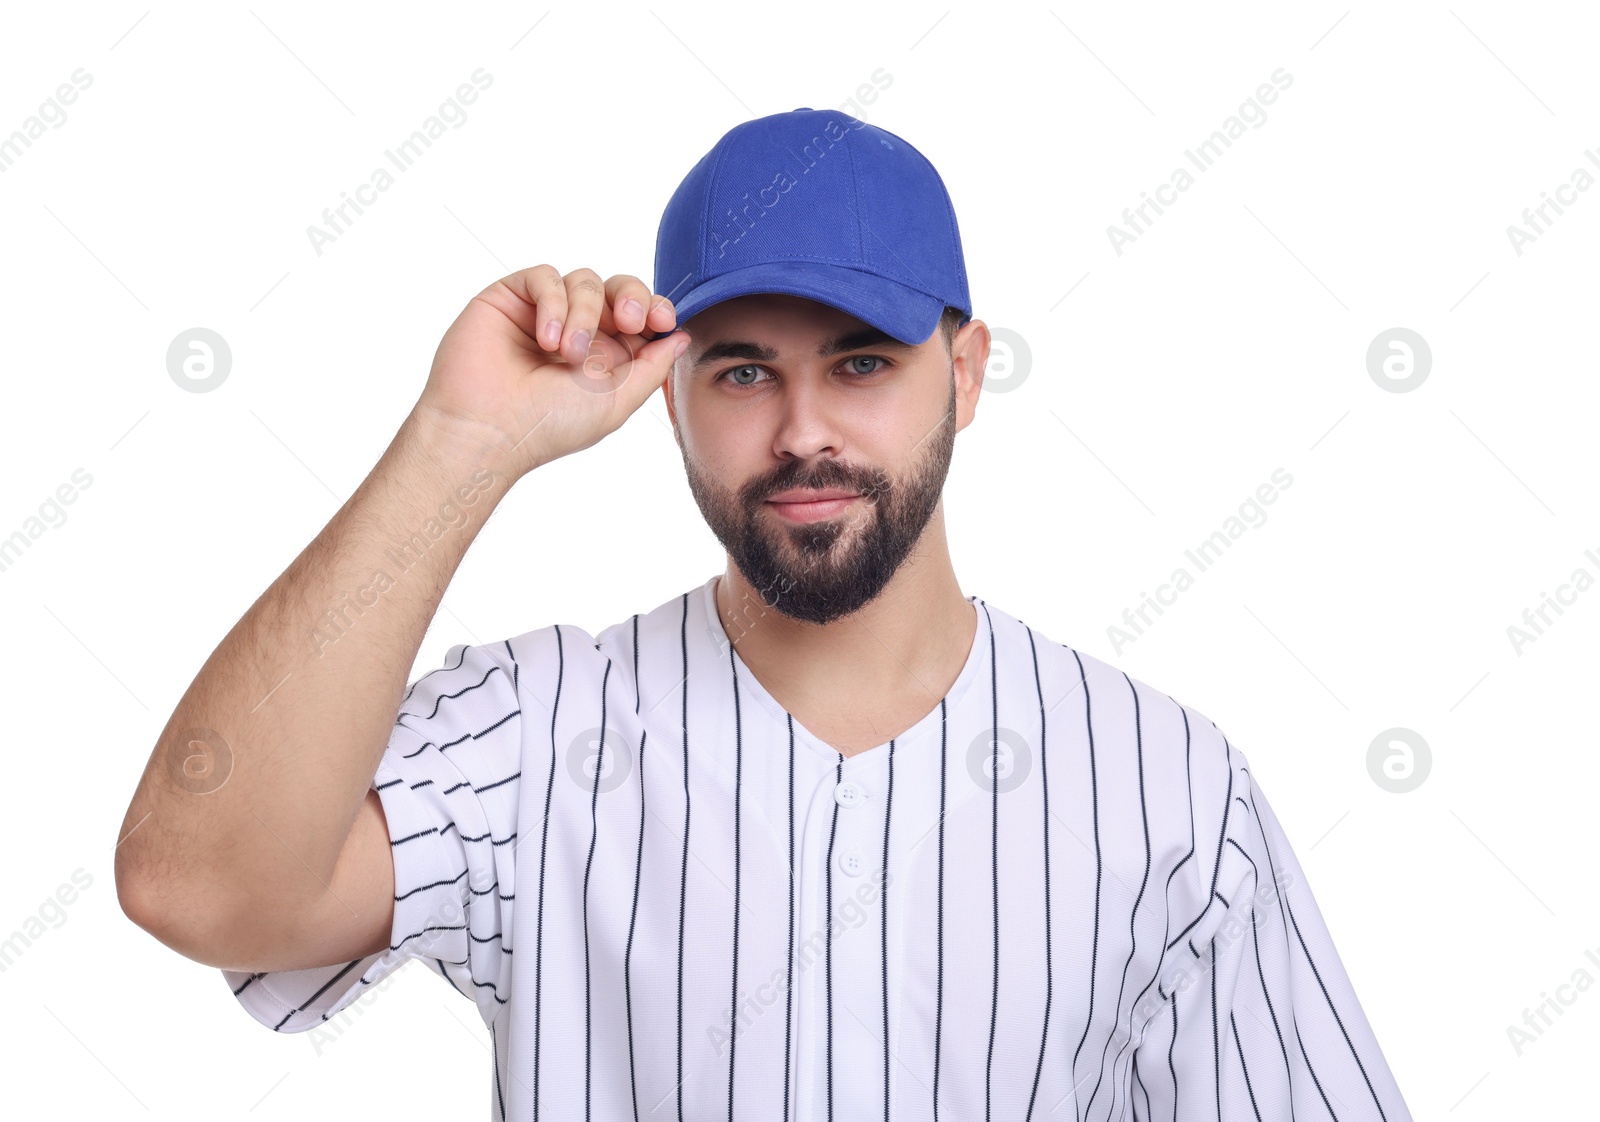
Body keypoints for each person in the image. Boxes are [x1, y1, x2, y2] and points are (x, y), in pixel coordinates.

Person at [114, 107, 1414, 1121]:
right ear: (668, 395)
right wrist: (460, 445)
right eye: (744, 370)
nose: (803, 433)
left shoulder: (1164, 783)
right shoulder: (534, 729)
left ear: (963, 373)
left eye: (861, 361)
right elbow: (199, 883)